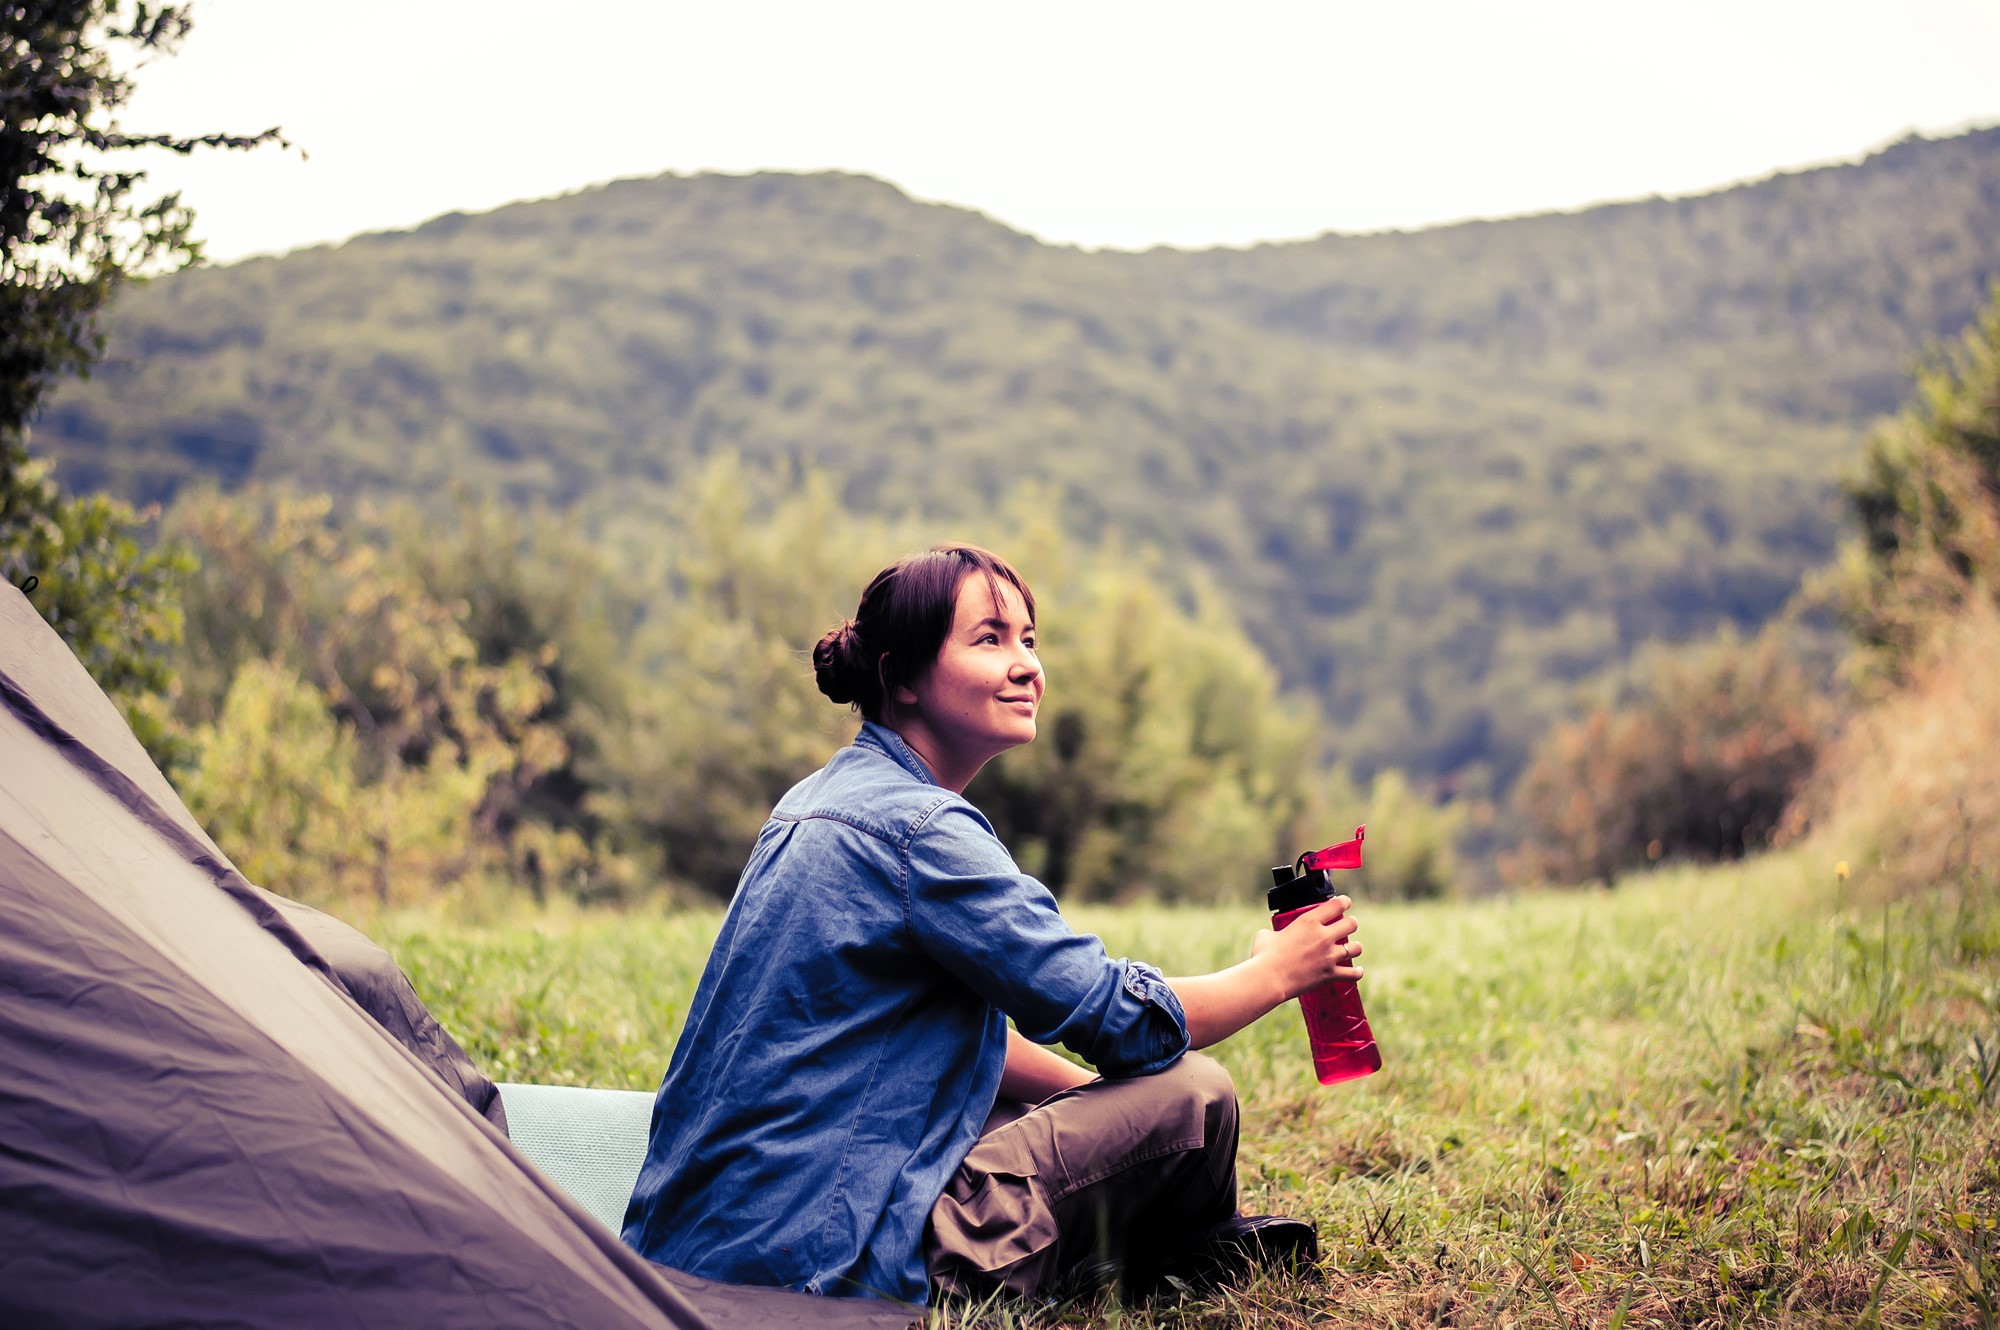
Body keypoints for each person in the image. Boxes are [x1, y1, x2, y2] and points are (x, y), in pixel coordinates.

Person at [622, 544, 1364, 1307]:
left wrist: (1100, 1113)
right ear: (900, 678)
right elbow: (1120, 1020)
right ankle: (1154, 1261)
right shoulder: (920, 829)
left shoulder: (815, 801)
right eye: (989, 639)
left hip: (692, 1251)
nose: (1025, 665)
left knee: (1102, 1107)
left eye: (1029, 640)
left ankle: (1157, 1246)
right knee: (1195, 1098)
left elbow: (948, 1038)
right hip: (834, 1273)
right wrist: (1276, 973)